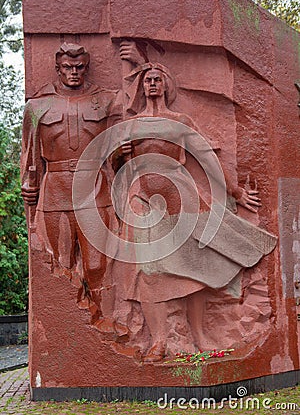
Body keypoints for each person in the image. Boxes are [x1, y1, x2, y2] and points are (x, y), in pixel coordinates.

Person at [110, 63, 277, 361]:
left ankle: (200, 335)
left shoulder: (181, 121)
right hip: (143, 200)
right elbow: (117, 168)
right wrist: (118, 157)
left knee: (194, 267)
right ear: (141, 87)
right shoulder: (131, 124)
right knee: (149, 272)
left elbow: (207, 159)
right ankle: (159, 341)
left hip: (180, 198)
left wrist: (235, 191)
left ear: (165, 85)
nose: (151, 84)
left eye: (157, 79)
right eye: (147, 80)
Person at [21, 42, 140, 338]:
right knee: (60, 261)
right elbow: (29, 153)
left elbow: (116, 149)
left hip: (94, 188)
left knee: (98, 262)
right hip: (56, 191)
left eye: (79, 67)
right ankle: (70, 327)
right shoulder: (37, 107)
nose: (74, 73)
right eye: (67, 68)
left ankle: (102, 320)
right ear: (58, 68)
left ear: (86, 67)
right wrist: (29, 184)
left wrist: (119, 151)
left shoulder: (107, 100)